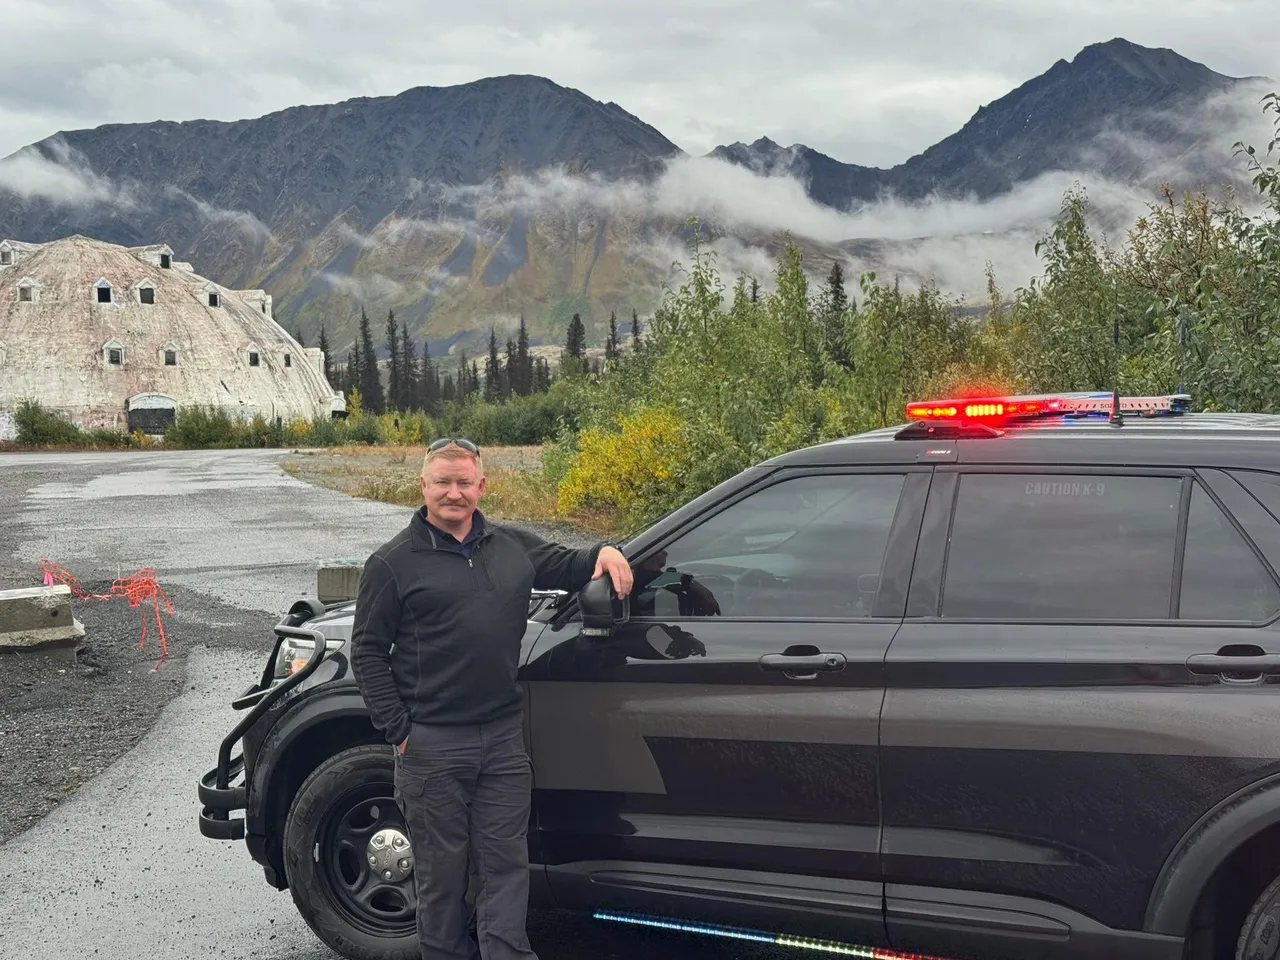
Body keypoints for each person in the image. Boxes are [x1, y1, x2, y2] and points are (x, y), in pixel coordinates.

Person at [349, 437, 632, 960]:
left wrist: (606, 552)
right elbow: (366, 650)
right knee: (441, 878)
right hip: (431, 748)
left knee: (507, 869)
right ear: (424, 486)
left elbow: (571, 565)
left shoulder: (511, 547)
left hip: (502, 743)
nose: (453, 493)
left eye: (463, 482)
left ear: (481, 486)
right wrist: (401, 731)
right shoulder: (392, 564)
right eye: (442, 482)